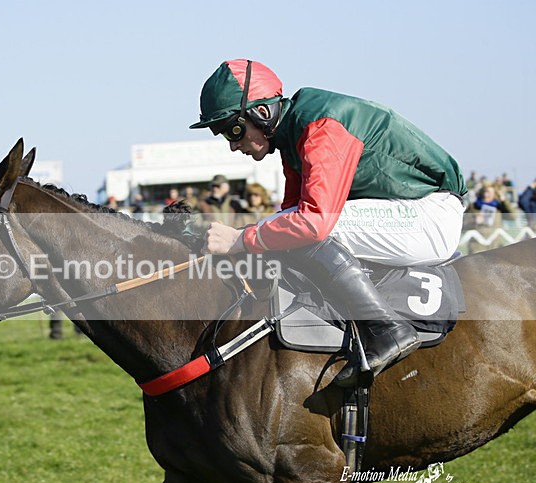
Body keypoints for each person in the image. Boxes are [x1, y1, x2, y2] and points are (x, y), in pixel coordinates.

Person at [191, 59, 467, 386]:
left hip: (431, 214)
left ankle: (388, 330)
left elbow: (313, 223)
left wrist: (239, 241)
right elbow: (288, 212)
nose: (233, 145)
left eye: (233, 130)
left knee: (310, 226)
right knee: (286, 227)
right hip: (408, 210)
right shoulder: (293, 133)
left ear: (261, 113)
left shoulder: (320, 126)